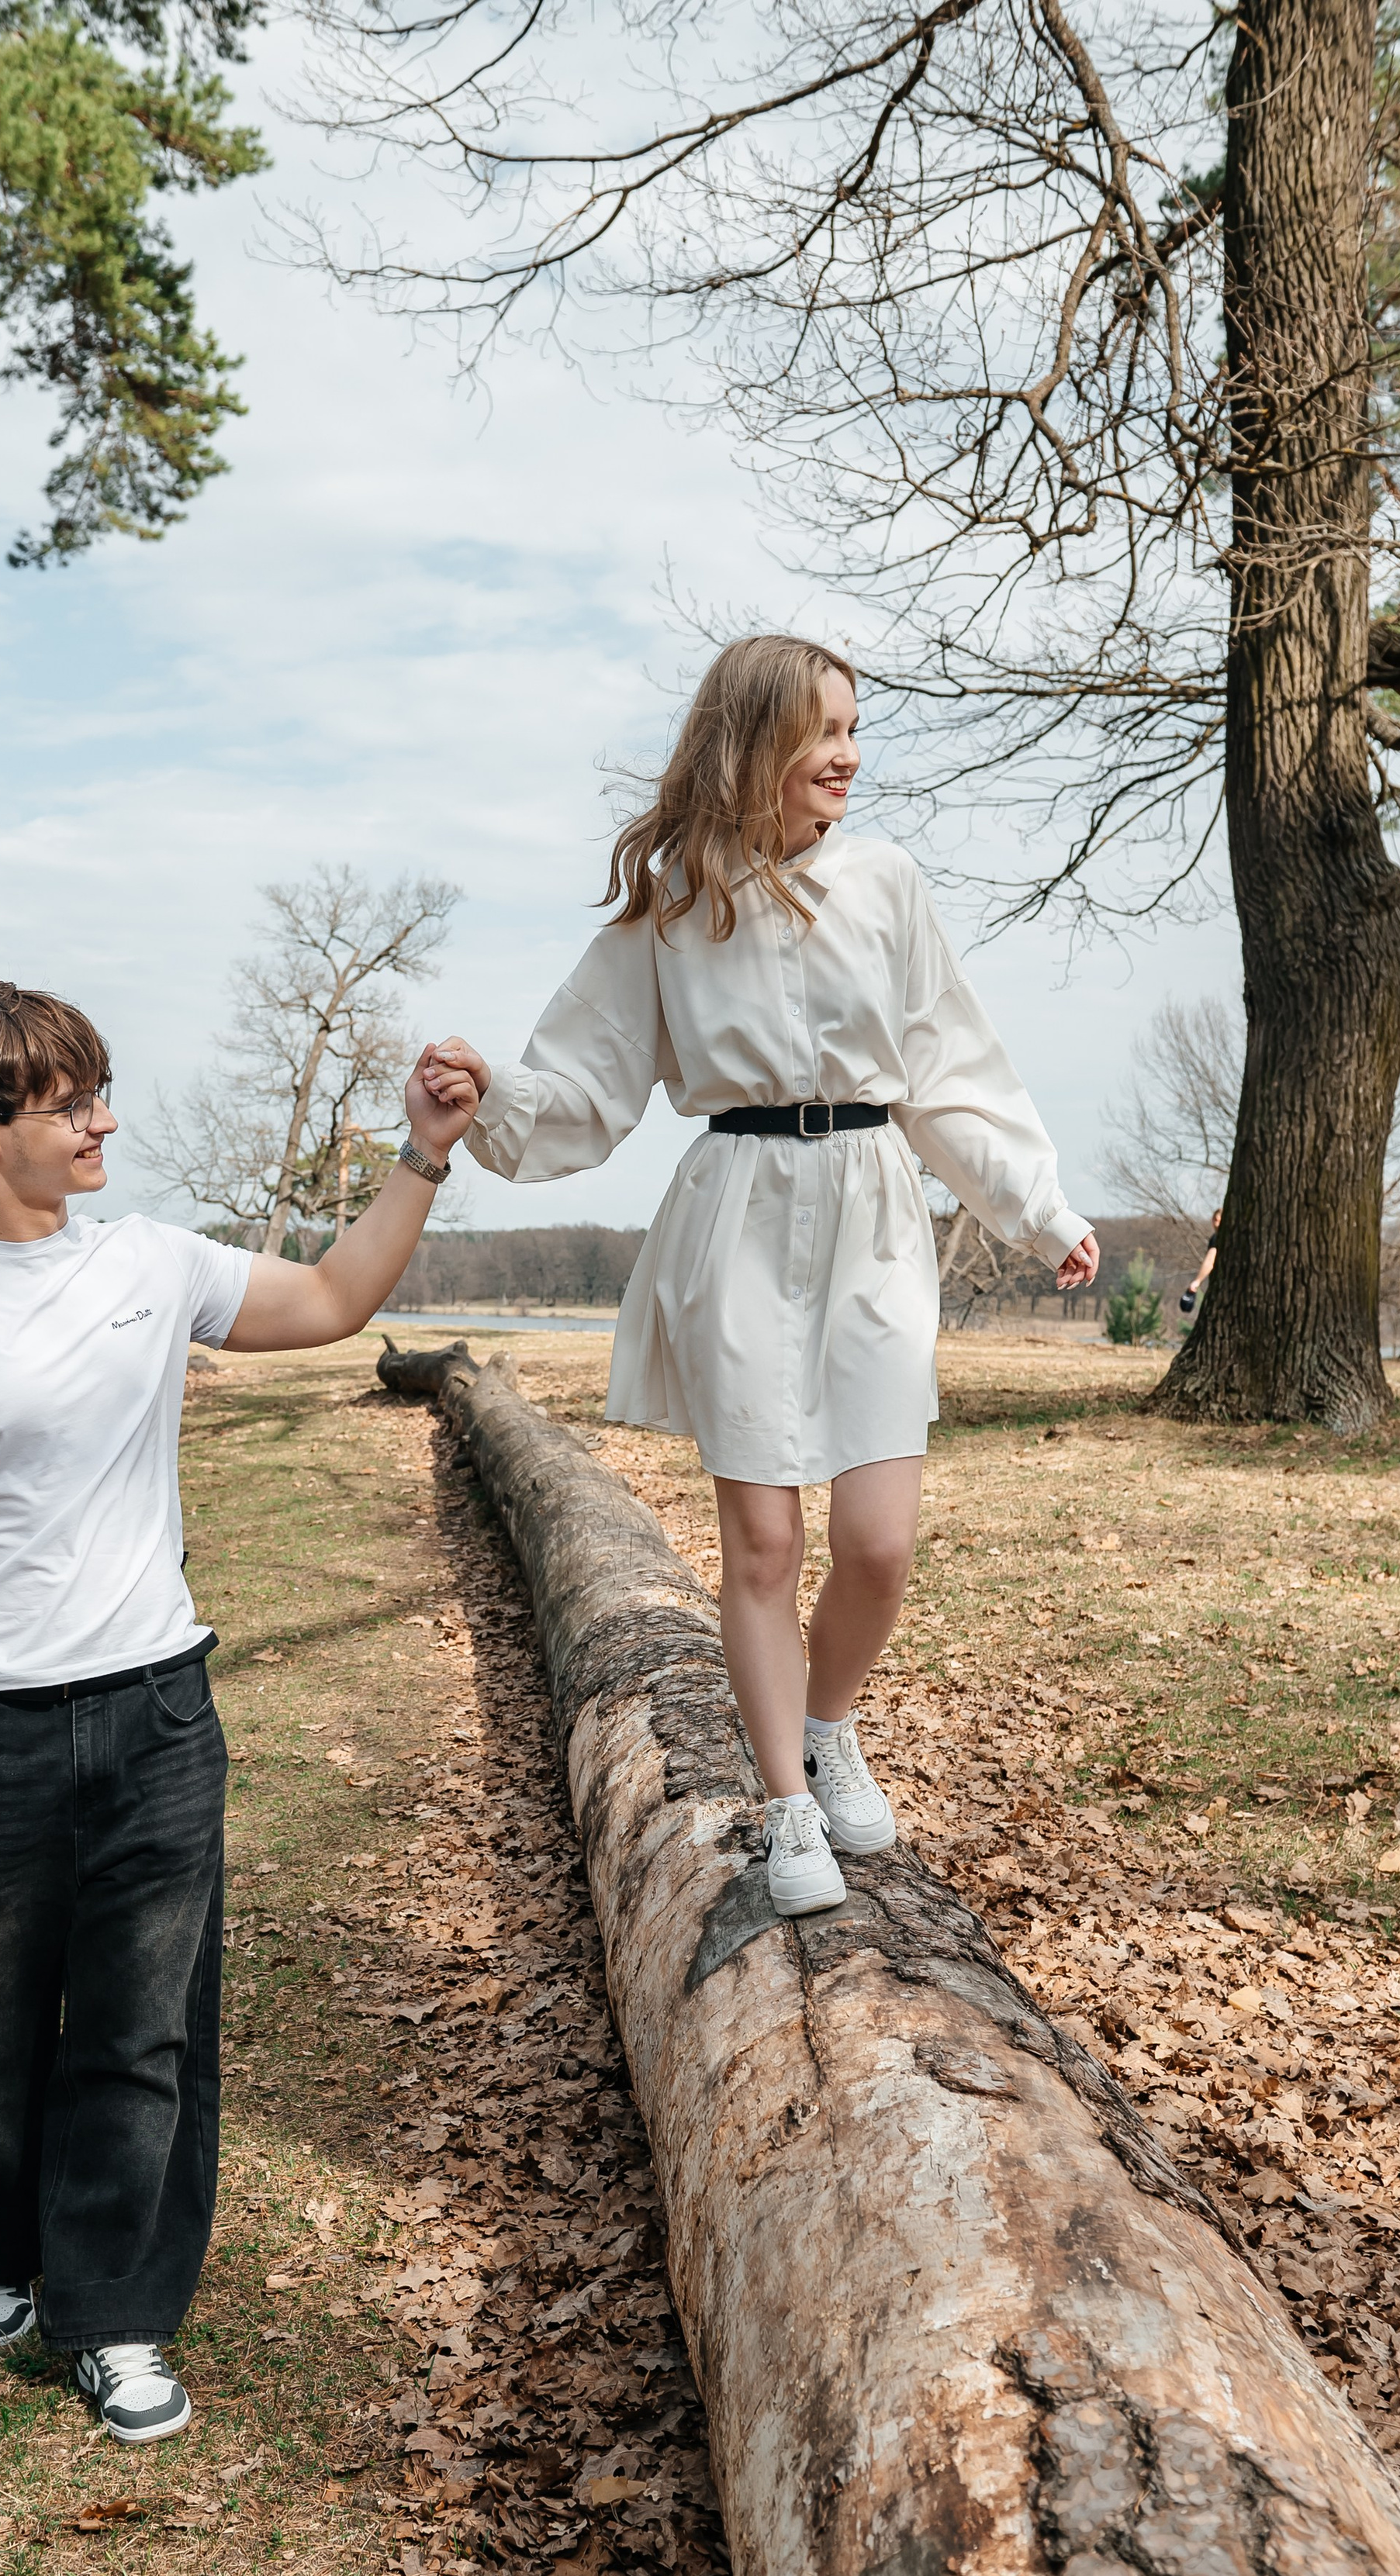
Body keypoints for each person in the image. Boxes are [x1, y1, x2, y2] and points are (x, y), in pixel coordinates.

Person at [0, 983, 477, 2440]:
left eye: (100, 1089)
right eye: (73, 1104)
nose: (106, 1121)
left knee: (141, 2029)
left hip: (156, 1716)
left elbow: (333, 1300)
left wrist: (421, 1153)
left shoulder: (153, 1264)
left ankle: (115, 2314)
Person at [419, 635, 1097, 1916]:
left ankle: (829, 1724)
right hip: (736, 1215)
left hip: (870, 1214)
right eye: (824, 731)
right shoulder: (676, 904)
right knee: (765, 1540)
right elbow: (591, 1082)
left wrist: (1035, 1204)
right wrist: (492, 1094)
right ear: (755, 745)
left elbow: (948, 1068)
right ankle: (787, 1805)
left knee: (881, 1543)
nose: (849, 754)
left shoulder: (887, 883)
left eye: (854, 727)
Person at [1180, 1210, 1222, 1316]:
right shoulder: (1215, 1237)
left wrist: (1197, 1282)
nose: (1215, 1222)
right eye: (1213, 1219)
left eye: (1217, 1219)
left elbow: (1211, 1259)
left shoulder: (1218, 1238)